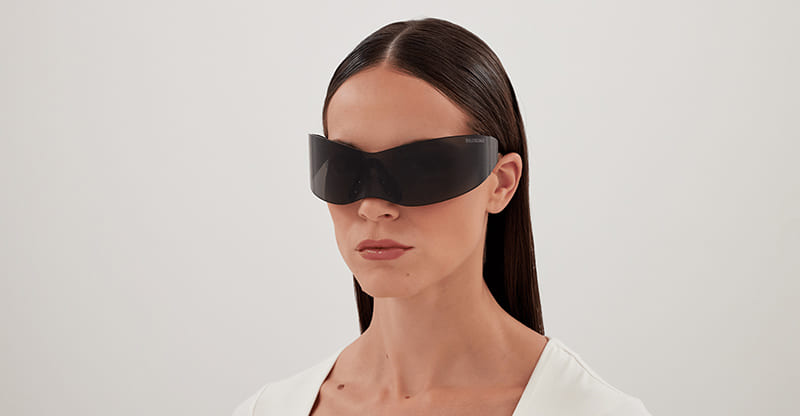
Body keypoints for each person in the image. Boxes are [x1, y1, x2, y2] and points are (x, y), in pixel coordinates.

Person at [233, 17, 653, 415]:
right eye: (344, 167)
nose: (373, 206)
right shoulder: (269, 410)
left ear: (500, 183)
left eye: (420, 168)